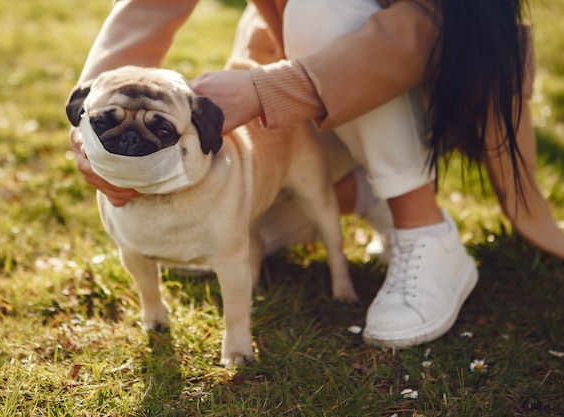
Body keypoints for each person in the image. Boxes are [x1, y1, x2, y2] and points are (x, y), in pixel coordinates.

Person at [68, 0, 564, 348]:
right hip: (313, 104)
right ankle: (364, 192)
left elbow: (432, 22)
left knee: (321, 7)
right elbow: (148, 7)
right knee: (227, 240)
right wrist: (94, 110)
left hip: (435, 81)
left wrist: (275, 89)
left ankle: (422, 226)